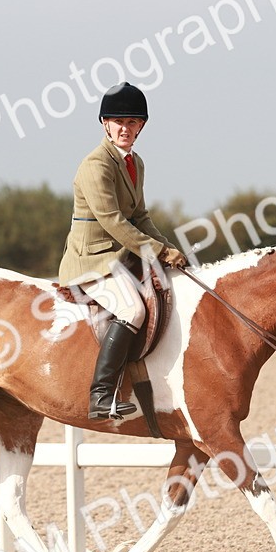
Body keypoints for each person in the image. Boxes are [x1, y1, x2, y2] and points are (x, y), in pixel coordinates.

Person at [58, 82, 188, 420]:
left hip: (121, 256)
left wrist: (170, 250)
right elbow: (114, 221)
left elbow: (140, 216)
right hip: (92, 260)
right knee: (133, 311)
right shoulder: (96, 165)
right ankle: (101, 395)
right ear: (105, 123)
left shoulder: (135, 163)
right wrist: (158, 251)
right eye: (118, 122)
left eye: (132, 122)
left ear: (141, 126)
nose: (125, 129)